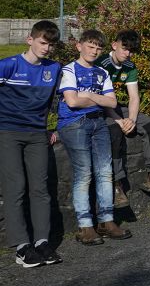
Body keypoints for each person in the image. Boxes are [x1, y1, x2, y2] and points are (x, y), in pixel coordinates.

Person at [58, 29, 130, 245]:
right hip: (74, 123)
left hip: (98, 123)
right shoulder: (68, 69)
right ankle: (85, 226)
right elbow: (72, 102)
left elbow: (112, 103)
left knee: (105, 172)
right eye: (90, 46)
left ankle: (106, 221)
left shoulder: (102, 72)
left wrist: (87, 95)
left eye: (98, 47)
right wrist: (97, 98)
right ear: (79, 46)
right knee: (84, 173)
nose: (95, 51)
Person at [1, 20, 63, 268]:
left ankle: (41, 242)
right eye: (42, 42)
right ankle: (21, 247)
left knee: (40, 189)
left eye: (50, 44)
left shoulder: (54, 68)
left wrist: (55, 126)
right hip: (7, 132)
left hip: (38, 133)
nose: (46, 48)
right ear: (30, 40)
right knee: (16, 188)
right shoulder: (8, 65)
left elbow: (59, 101)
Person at [99, 29, 150, 200]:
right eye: (124, 48)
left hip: (117, 107)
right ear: (114, 45)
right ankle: (116, 186)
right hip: (98, 108)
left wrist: (131, 119)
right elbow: (101, 99)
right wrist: (118, 121)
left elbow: (134, 97)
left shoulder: (130, 66)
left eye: (131, 50)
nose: (128, 53)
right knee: (114, 133)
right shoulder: (101, 64)